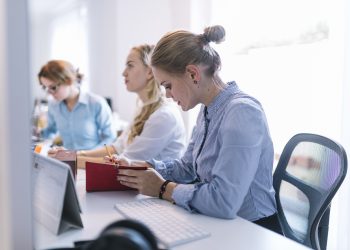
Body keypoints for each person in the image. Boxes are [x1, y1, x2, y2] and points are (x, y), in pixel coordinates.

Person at [111, 26, 282, 234]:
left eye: (168, 85)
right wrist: (142, 166)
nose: (167, 95)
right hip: (221, 223)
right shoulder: (207, 110)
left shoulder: (242, 113)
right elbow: (187, 168)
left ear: (192, 74)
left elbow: (224, 201)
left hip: (253, 230)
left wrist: (163, 188)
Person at [76, 44, 186, 165]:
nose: (124, 73)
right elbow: (117, 148)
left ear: (150, 72)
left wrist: (72, 160)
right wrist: (77, 154)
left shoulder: (164, 116)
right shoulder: (143, 108)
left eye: (130, 65)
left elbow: (122, 162)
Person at [38, 60, 116, 150]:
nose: (49, 93)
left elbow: (110, 138)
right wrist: (38, 133)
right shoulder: (53, 105)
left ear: (68, 81)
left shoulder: (96, 103)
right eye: (45, 88)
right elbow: (51, 131)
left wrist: (87, 155)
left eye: (53, 87)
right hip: (67, 161)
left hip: (92, 160)